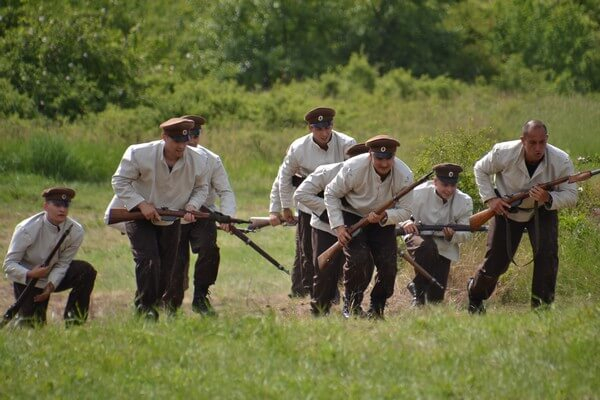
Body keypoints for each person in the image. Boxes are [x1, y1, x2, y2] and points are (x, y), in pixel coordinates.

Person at [467, 120, 578, 313]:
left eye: (542, 142)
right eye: (532, 142)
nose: (538, 148)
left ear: (547, 140)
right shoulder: (503, 151)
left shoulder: (561, 159)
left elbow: (571, 195)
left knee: (547, 257)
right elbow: (480, 169)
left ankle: (542, 309)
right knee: (496, 262)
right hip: (505, 210)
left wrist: (548, 197)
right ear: (522, 140)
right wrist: (491, 200)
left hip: (543, 211)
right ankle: (475, 296)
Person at [112, 117, 210, 320]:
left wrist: (192, 206)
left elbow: (202, 188)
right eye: (176, 141)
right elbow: (120, 181)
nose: (181, 146)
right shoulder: (138, 153)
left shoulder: (198, 160)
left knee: (167, 269)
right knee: (149, 262)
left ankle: (152, 306)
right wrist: (141, 204)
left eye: (184, 141)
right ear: (164, 137)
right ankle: (145, 309)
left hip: (171, 219)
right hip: (138, 216)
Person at [324, 135, 414, 319]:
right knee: (358, 259)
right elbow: (331, 193)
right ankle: (351, 305)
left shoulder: (405, 175)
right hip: (353, 215)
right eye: (379, 158)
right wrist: (339, 227)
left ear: (394, 156)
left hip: (384, 220)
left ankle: (377, 307)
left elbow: (405, 210)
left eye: (388, 158)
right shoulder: (353, 168)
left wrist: (385, 216)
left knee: (389, 267)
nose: (384, 163)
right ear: (370, 155)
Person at [278, 107, 356, 297]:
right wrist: (284, 205)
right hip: (309, 201)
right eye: (318, 128)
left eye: (327, 127)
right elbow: (285, 175)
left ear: (332, 125)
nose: (324, 132)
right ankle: (315, 291)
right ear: (310, 128)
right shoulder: (298, 147)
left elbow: (357, 173)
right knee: (308, 250)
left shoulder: (347, 143)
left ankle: (334, 289)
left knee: (342, 244)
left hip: (339, 200)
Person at [163, 115, 236, 315]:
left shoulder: (211, 160)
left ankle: (201, 297)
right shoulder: (164, 157)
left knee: (209, 250)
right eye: (186, 136)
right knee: (175, 262)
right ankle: (171, 305)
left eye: (195, 135)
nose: (191, 141)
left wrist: (227, 217)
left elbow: (225, 191)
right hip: (173, 217)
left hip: (203, 215)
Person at [3, 187, 96, 327]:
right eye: (57, 205)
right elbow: (9, 265)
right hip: (28, 279)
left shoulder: (75, 231)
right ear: (45, 206)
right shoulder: (26, 229)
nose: (62, 209)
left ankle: (75, 325)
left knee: (86, 271)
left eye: (65, 205)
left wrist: (51, 285)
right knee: (33, 327)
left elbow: (63, 263)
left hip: (52, 274)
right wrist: (29, 273)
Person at [294, 143, 369, 315]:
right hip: (325, 226)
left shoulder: (375, 177)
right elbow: (301, 194)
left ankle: (352, 306)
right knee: (325, 271)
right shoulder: (326, 172)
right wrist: (334, 215)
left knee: (363, 266)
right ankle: (320, 310)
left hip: (357, 229)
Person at [399, 163, 473, 306]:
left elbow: (466, 233)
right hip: (418, 238)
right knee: (427, 247)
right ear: (435, 182)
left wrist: (452, 235)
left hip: (445, 246)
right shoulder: (417, 192)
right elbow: (400, 212)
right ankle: (418, 296)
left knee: (436, 299)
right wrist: (406, 222)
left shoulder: (465, 201)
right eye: (445, 185)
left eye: (453, 185)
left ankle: (415, 286)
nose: (449, 189)